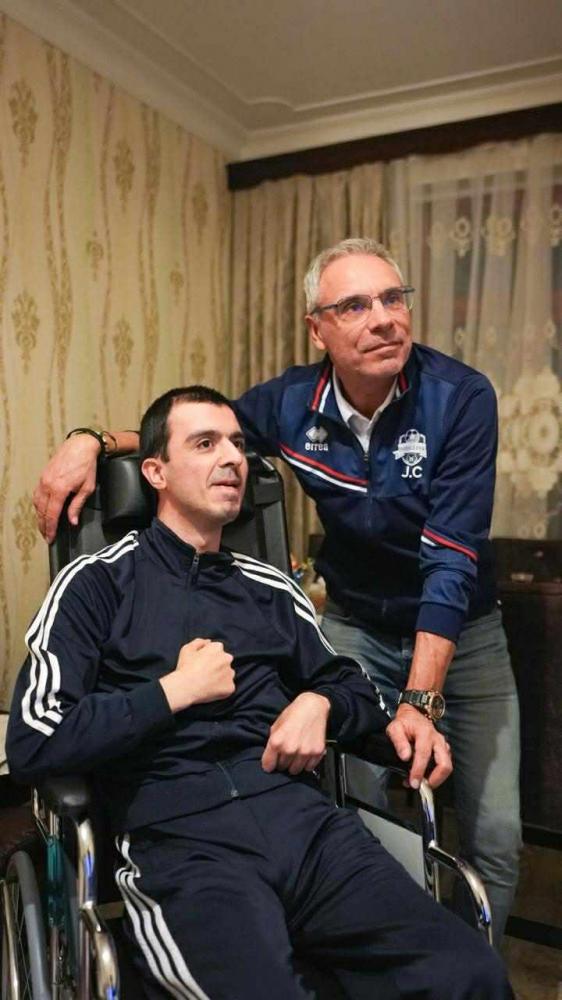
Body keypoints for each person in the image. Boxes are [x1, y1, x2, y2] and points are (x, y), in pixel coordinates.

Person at [33, 238, 521, 945]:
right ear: (317, 329)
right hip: (356, 621)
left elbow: (450, 560)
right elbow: (192, 433)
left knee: (495, 833)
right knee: (356, 806)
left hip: (461, 629)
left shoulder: (460, 396)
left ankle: (461, 963)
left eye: (394, 298)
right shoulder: (292, 403)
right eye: (355, 305)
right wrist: (93, 441)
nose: (383, 318)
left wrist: (419, 700)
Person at [9, 386, 512, 999]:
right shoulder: (96, 584)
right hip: (182, 841)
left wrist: (321, 704)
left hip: (308, 830)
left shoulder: (271, 589)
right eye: (205, 443)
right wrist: (171, 692)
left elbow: (352, 690)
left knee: (473, 974)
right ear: (156, 472)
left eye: (237, 444)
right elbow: (35, 739)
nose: (232, 458)